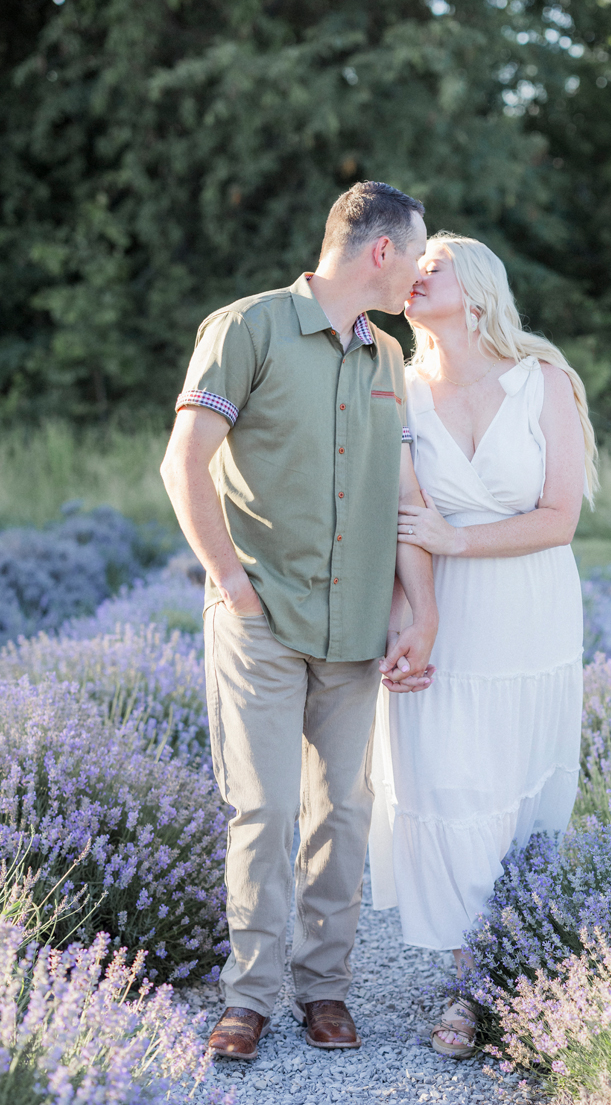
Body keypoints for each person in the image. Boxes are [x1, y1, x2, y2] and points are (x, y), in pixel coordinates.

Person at [160, 182, 438, 1062]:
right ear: (380, 251)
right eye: (417, 254)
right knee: (264, 807)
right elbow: (185, 464)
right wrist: (234, 588)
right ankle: (247, 996)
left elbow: (405, 499)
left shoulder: (391, 357)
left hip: (356, 629)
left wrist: (412, 609)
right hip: (262, 618)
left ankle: (325, 992)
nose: (421, 273)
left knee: (342, 816)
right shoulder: (247, 328)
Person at [368, 233, 598, 1058]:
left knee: (511, 780)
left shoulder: (542, 380)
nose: (414, 273)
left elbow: (559, 517)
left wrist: (458, 540)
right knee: (448, 776)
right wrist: (408, 614)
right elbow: (402, 518)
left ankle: (488, 975)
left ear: (479, 287)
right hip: (439, 607)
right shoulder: (394, 385)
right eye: (411, 267)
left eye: (433, 264)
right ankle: (472, 975)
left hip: (528, 607)